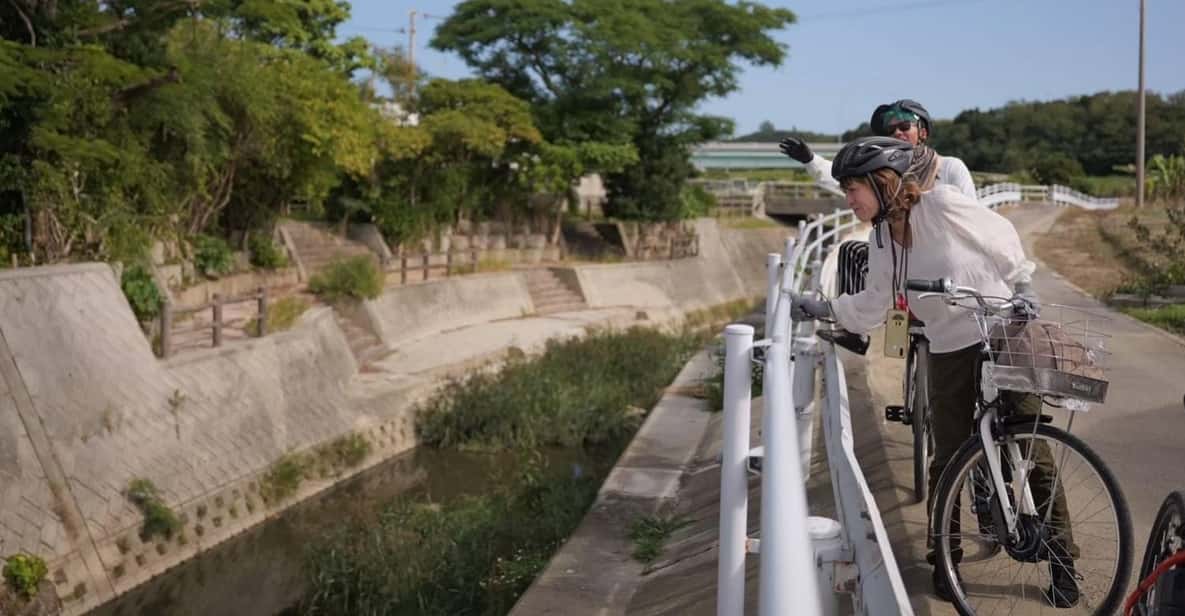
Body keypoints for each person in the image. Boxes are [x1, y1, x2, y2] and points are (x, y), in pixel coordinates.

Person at [789, 137, 1079, 607]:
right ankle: (945, 556)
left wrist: (1023, 284)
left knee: (1030, 449)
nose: (848, 200)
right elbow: (872, 303)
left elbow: (1000, 235)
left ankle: (1066, 560)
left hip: (1003, 329)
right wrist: (824, 306)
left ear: (883, 184)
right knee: (948, 456)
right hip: (948, 346)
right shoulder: (881, 239)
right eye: (844, 191)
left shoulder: (941, 205)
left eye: (853, 189)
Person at [778, 99, 977, 200]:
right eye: (890, 130)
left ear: (923, 132)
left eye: (905, 127)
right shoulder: (882, 172)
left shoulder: (950, 167)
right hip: (897, 256)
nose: (897, 133)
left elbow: (973, 216)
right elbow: (845, 179)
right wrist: (810, 160)